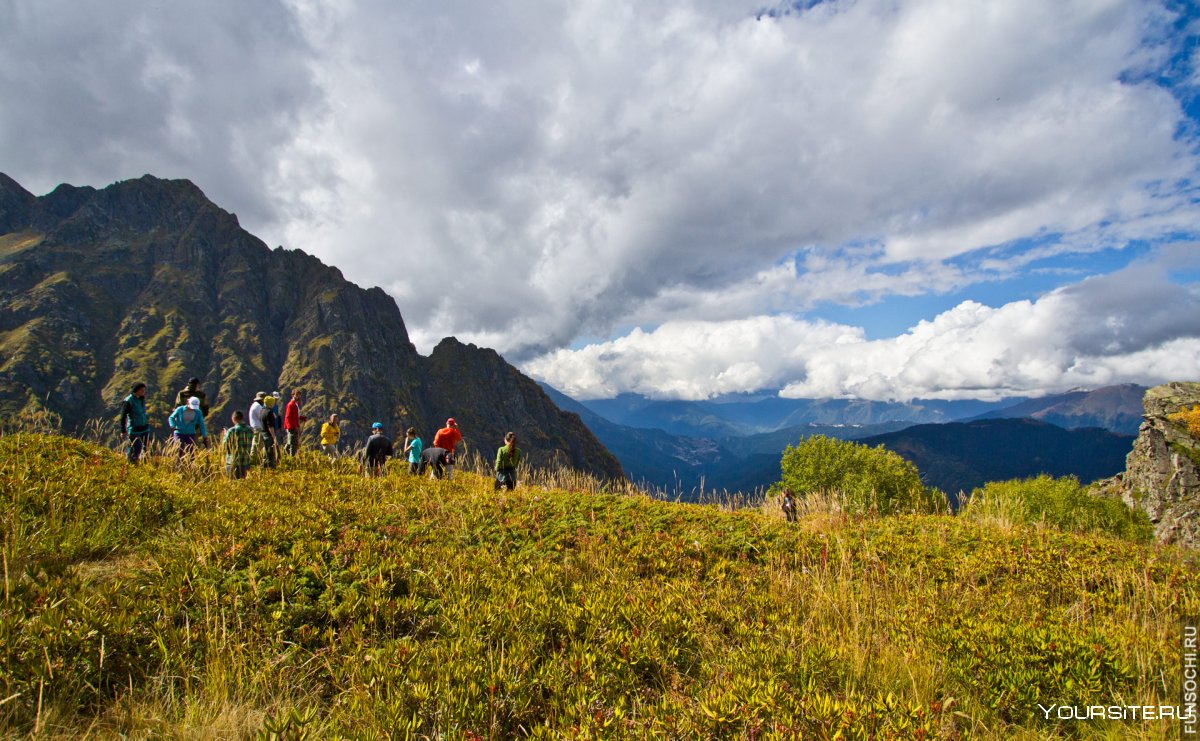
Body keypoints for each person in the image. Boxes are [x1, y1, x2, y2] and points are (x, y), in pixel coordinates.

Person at [118, 381, 151, 464]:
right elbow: (123, 416)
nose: (144, 392)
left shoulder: (141, 399)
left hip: (144, 428)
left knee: (147, 447)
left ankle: (145, 464)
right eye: (142, 390)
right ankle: (131, 464)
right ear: (136, 390)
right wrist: (123, 430)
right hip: (134, 429)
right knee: (136, 448)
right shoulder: (128, 401)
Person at [222, 410, 254, 479]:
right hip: (246, 462)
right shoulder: (250, 430)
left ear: (234, 419)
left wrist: (225, 434)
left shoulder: (232, 431)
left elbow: (224, 446)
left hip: (233, 462)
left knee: (232, 484)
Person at [250, 392, 277, 469]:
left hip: (256, 428)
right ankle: (255, 463)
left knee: (258, 446)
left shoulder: (254, 405)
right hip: (259, 428)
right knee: (257, 446)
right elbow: (266, 419)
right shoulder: (259, 407)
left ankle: (257, 462)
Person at [283, 389, 307, 456]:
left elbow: (295, 416)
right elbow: (288, 417)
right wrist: (292, 427)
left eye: (299, 395)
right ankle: (291, 457)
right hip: (292, 427)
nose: (298, 397)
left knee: (290, 442)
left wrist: (302, 418)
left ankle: (283, 455)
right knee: (293, 444)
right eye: (297, 395)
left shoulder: (296, 405)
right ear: (293, 395)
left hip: (294, 426)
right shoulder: (291, 405)